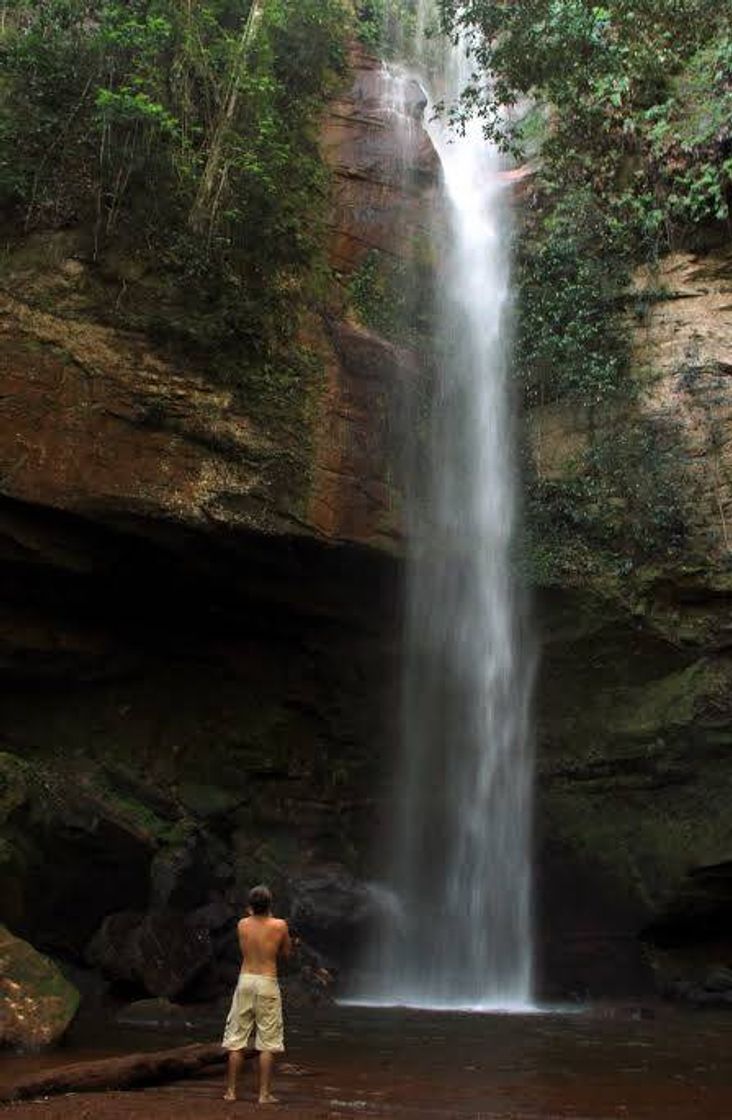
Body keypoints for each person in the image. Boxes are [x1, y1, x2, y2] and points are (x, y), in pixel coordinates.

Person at [222, 884, 293, 1104]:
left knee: (236, 1040)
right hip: (267, 981)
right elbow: (286, 954)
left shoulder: (242, 924)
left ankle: (231, 1092)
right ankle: (264, 1094)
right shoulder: (280, 925)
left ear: (250, 906)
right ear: (270, 905)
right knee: (267, 1041)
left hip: (245, 980)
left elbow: (251, 932)